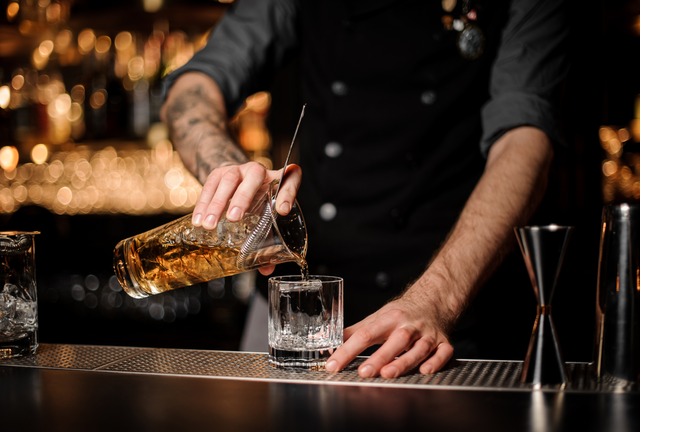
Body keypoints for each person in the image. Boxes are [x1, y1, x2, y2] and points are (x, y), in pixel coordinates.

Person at [160, 0, 569, 379]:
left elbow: (525, 138)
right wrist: (227, 173)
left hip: (449, 309)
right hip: (295, 318)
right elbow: (194, 87)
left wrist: (438, 299)